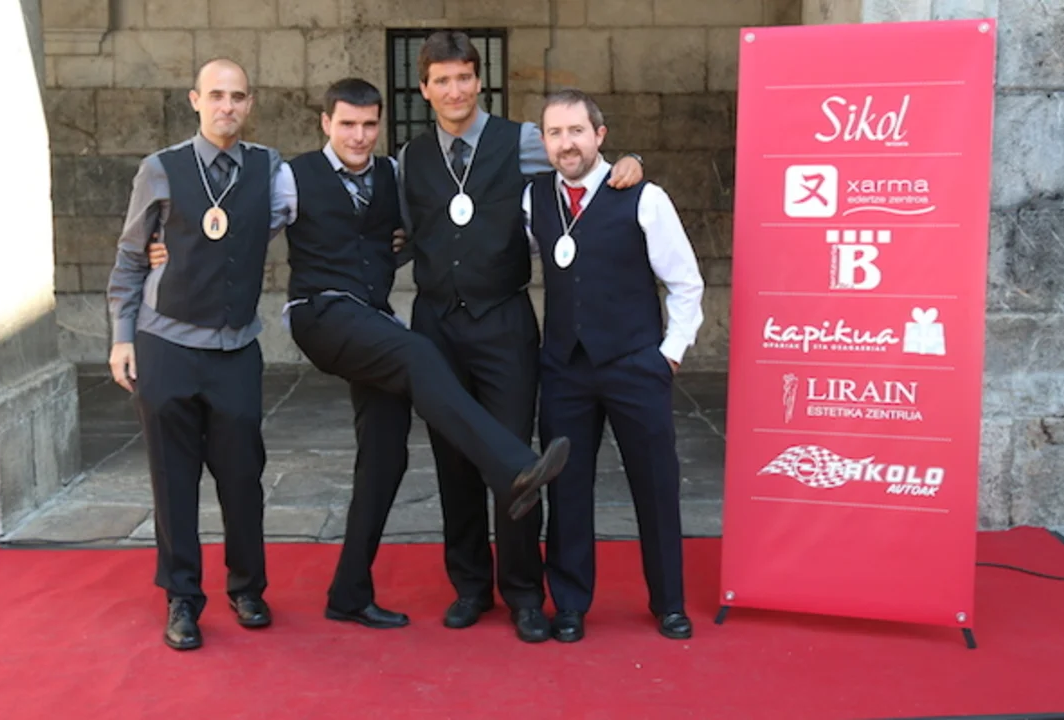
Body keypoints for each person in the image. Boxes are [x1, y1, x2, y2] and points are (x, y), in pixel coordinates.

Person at [147, 77, 573, 632]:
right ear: (326, 123)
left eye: (370, 125)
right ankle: (512, 465)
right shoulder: (292, 178)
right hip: (320, 313)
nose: (359, 135)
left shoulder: (393, 173)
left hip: (371, 319)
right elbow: (238, 229)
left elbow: (429, 225)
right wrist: (172, 249)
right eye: (347, 124)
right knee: (419, 354)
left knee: (386, 453)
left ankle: (349, 591)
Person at [398, 30, 644, 643]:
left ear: (479, 80)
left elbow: (581, 162)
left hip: (503, 322)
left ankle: (524, 594)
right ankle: (470, 586)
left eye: (464, 77)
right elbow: (403, 230)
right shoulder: (411, 158)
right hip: (435, 326)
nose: (455, 90)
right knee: (452, 459)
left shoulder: (524, 141)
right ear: (425, 89)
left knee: (514, 459)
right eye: (442, 80)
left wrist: (631, 164)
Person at [107, 58, 291, 651]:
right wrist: (122, 337)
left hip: (235, 348)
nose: (226, 106)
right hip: (166, 345)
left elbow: (304, 222)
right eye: (216, 95)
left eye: (237, 96)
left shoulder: (270, 168)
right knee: (173, 479)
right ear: (195, 100)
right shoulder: (159, 169)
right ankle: (182, 598)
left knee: (243, 478)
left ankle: (248, 587)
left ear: (250, 103)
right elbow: (131, 257)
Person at [523, 89, 705, 642]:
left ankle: (669, 601)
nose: (567, 143)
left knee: (656, 484)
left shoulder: (644, 197)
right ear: (544, 142)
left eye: (577, 131)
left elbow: (685, 282)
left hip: (634, 364)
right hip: (564, 368)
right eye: (555, 133)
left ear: (599, 135)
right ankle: (570, 604)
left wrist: (669, 353)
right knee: (566, 489)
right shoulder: (534, 199)